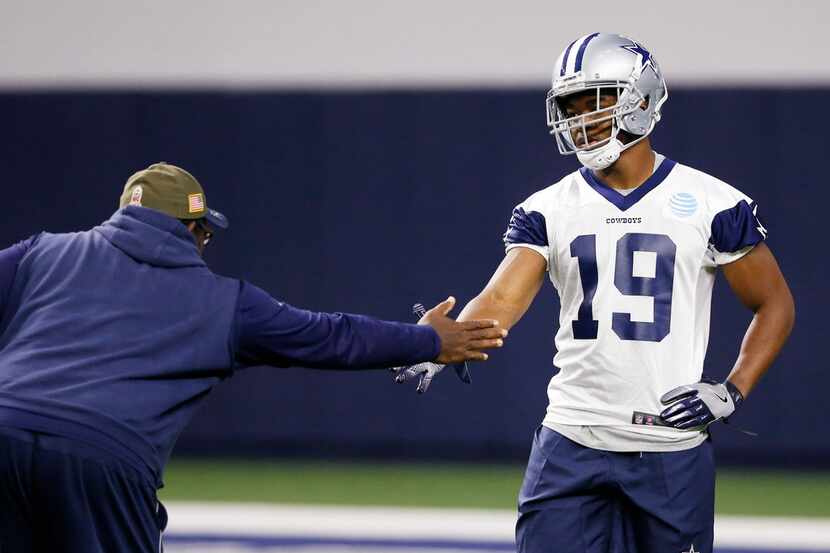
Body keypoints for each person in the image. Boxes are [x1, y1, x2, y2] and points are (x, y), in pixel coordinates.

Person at [394, 33, 794, 552]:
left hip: (670, 443)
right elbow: (502, 298)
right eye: (570, 106)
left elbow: (775, 304)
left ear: (641, 100)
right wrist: (441, 342)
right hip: (572, 438)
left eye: (596, 102)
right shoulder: (550, 207)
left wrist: (732, 390)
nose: (580, 119)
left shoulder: (712, 202)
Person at [0, 162, 507, 553]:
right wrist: (429, 341)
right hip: (104, 461)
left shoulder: (41, 253)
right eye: (205, 233)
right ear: (192, 230)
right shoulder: (223, 303)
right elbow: (332, 337)